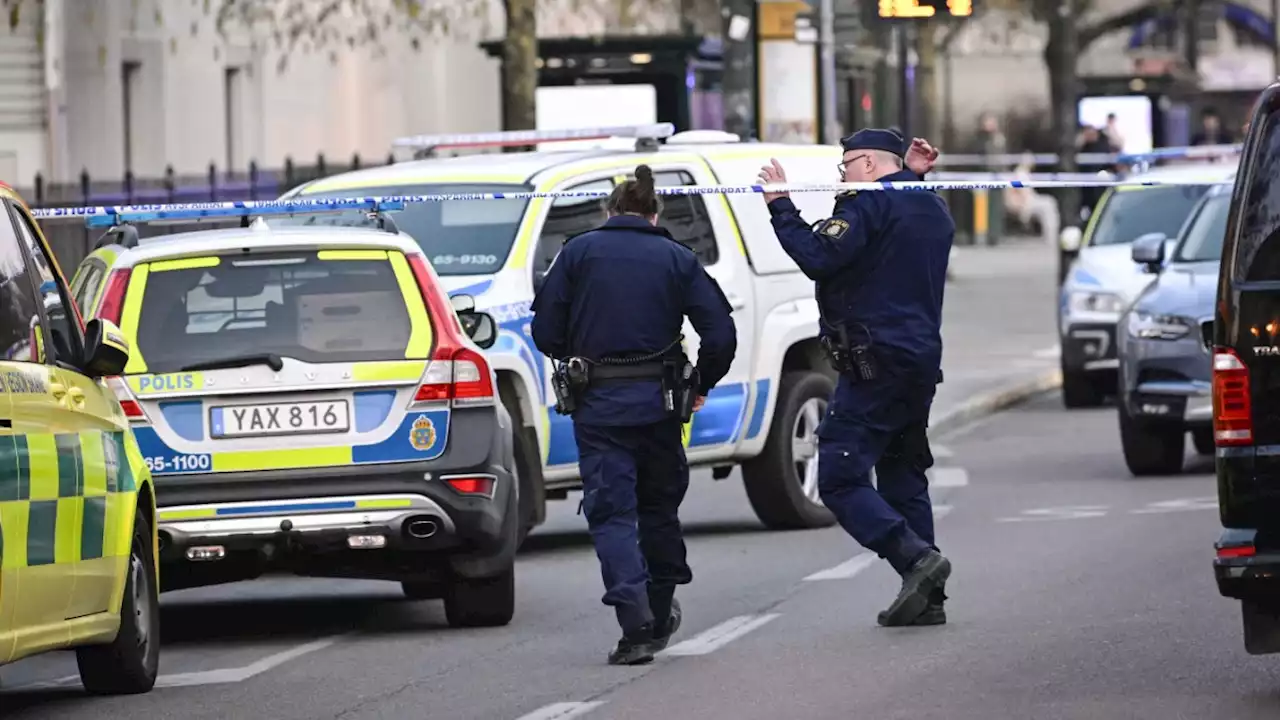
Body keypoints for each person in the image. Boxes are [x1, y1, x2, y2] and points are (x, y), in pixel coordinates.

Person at [529, 164, 737, 665]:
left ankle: (635, 623)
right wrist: (700, 383)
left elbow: (545, 333)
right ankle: (661, 609)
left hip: (599, 409)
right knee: (659, 509)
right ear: (654, 212)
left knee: (612, 514)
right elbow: (722, 335)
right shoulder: (676, 257)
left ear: (609, 211)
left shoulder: (576, 253)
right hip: (663, 406)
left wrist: (579, 352)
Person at [755, 128, 953, 627]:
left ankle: (915, 559)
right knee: (903, 475)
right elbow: (897, 223)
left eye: (846, 167)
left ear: (866, 164)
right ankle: (927, 599)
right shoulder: (930, 206)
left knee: (840, 477)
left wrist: (780, 204)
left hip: (874, 360)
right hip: (919, 361)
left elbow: (820, 257)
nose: (843, 177)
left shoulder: (865, 206)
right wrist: (908, 174)